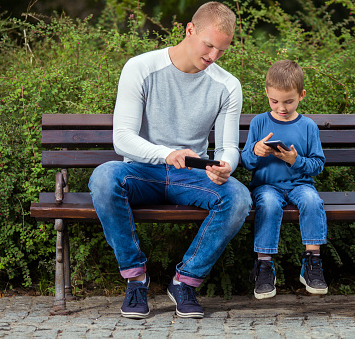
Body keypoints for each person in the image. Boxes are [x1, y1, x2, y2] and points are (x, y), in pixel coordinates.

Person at [88, 2, 252, 319]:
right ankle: (136, 279)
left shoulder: (228, 86)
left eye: (222, 50)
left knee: (238, 197)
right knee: (104, 178)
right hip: (141, 171)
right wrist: (168, 153)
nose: (213, 56)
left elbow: (228, 146)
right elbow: (122, 137)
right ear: (190, 30)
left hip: (191, 175)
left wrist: (226, 165)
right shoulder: (140, 68)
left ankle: (184, 283)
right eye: (209, 45)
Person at [240, 60, 328, 299]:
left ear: (302, 95)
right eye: (275, 101)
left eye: (289, 101)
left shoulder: (308, 126)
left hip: (300, 185)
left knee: (312, 201)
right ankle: (265, 266)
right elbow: (246, 161)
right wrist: (256, 151)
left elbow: (318, 165)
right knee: (267, 203)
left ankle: (312, 263)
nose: (281, 107)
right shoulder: (259, 122)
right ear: (267, 93)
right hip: (267, 186)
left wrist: (294, 160)